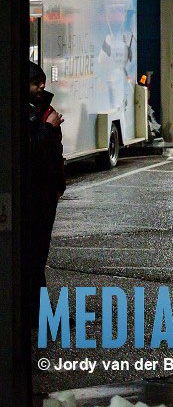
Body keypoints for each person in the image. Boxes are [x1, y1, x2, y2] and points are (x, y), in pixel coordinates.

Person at [25, 61, 66, 333]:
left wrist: (59, 185)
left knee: (38, 255)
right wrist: (49, 127)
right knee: (33, 255)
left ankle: (41, 316)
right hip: (33, 193)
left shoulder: (42, 109)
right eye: (34, 82)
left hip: (46, 192)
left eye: (41, 81)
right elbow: (29, 147)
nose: (41, 86)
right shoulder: (25, 113)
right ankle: (39, 317)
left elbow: (54, 151)